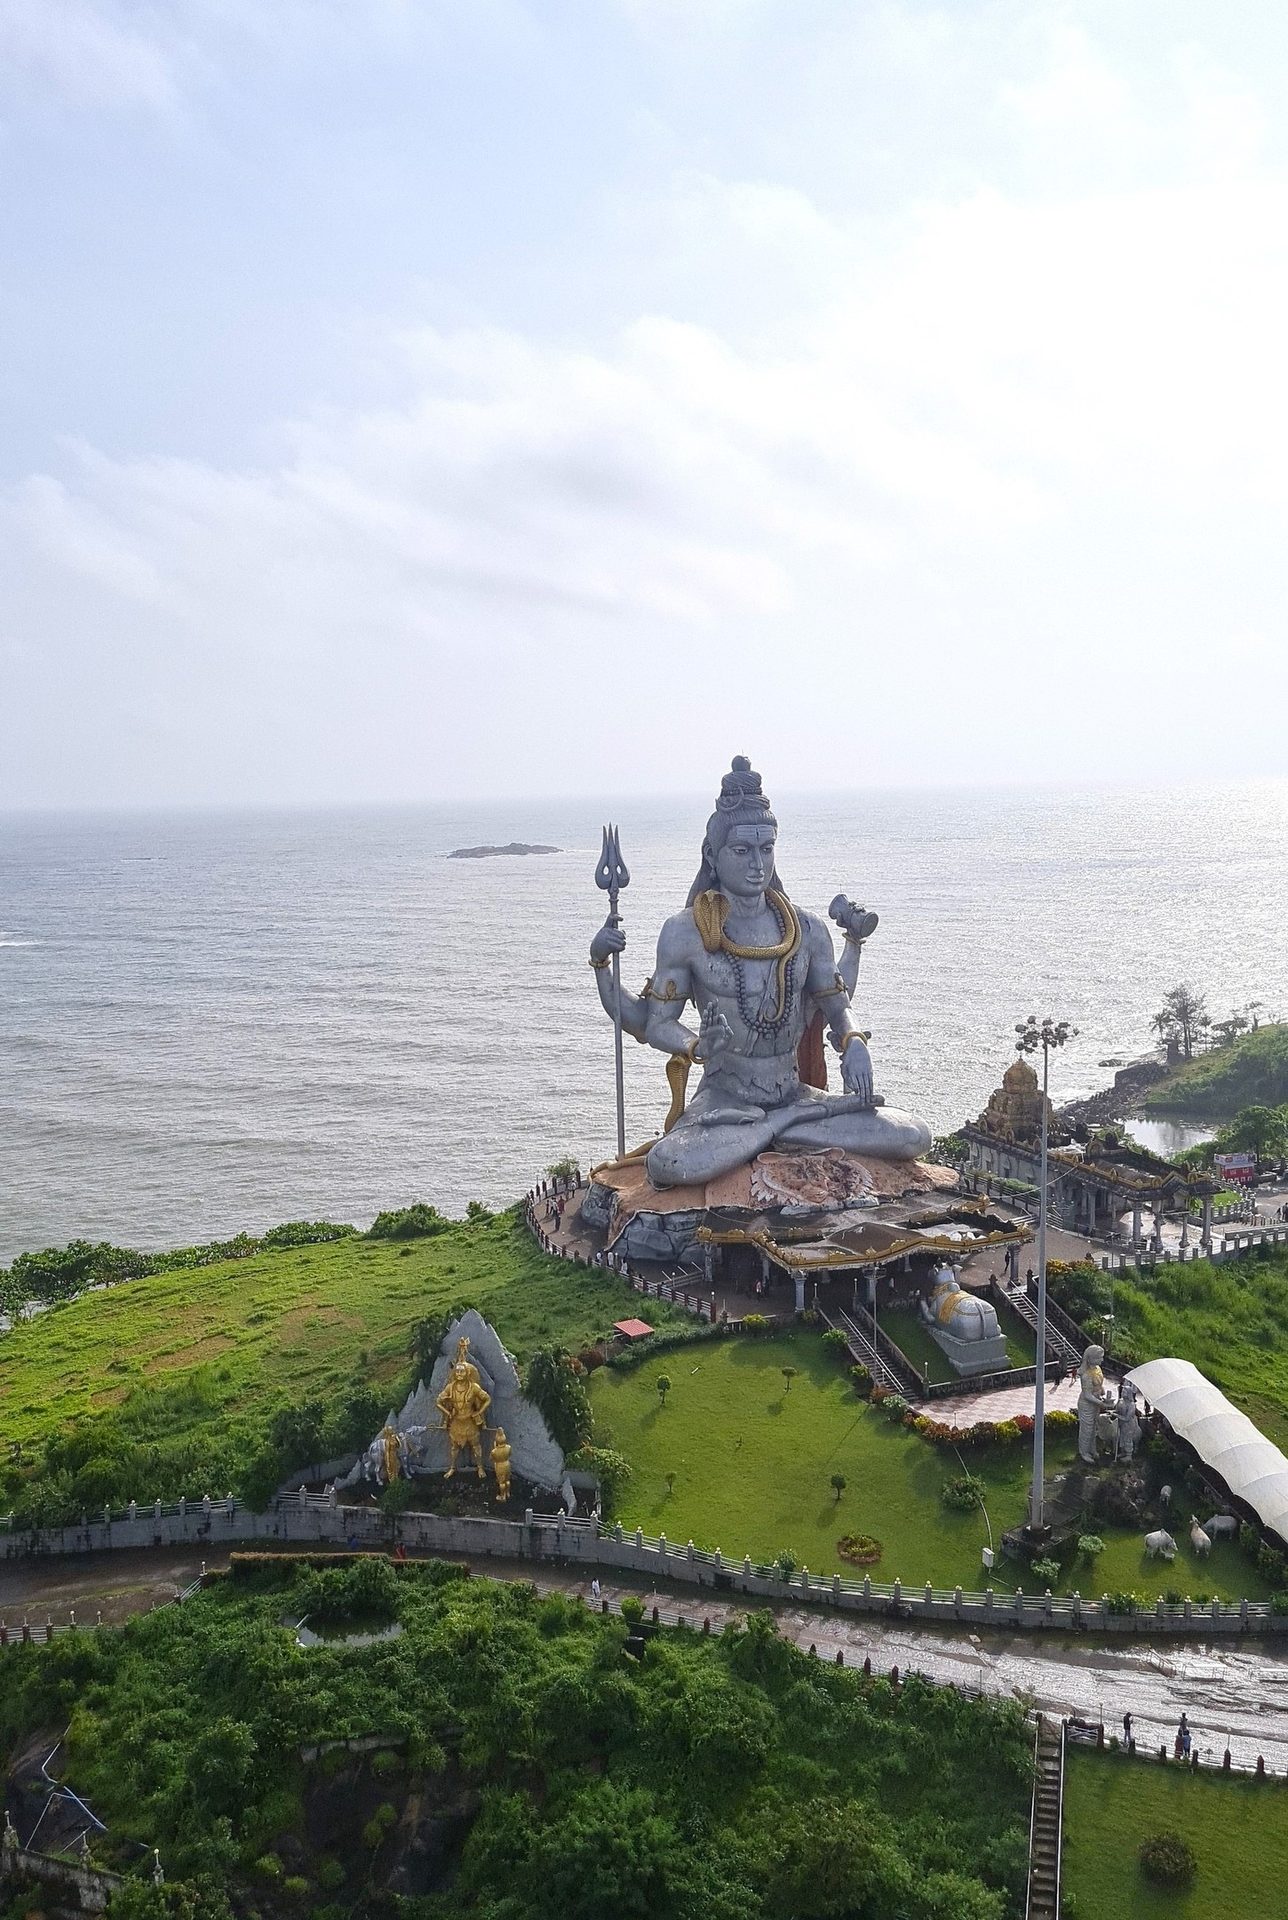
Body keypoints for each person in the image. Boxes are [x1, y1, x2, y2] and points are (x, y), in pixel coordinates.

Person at [588, 757, 931, 1188]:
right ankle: (785, 1127)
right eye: (742, 850)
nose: (757, 864)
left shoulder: (806, 929)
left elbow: (837, 1004)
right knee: (670, 1162)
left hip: (793, 1093)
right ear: (713, 855)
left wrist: (854, 1041)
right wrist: (696, 1044)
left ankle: (775, 1125)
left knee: (913, 1134)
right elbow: (656, 1024)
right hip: (725, 1102)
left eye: (766, 849)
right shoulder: (685, 932)